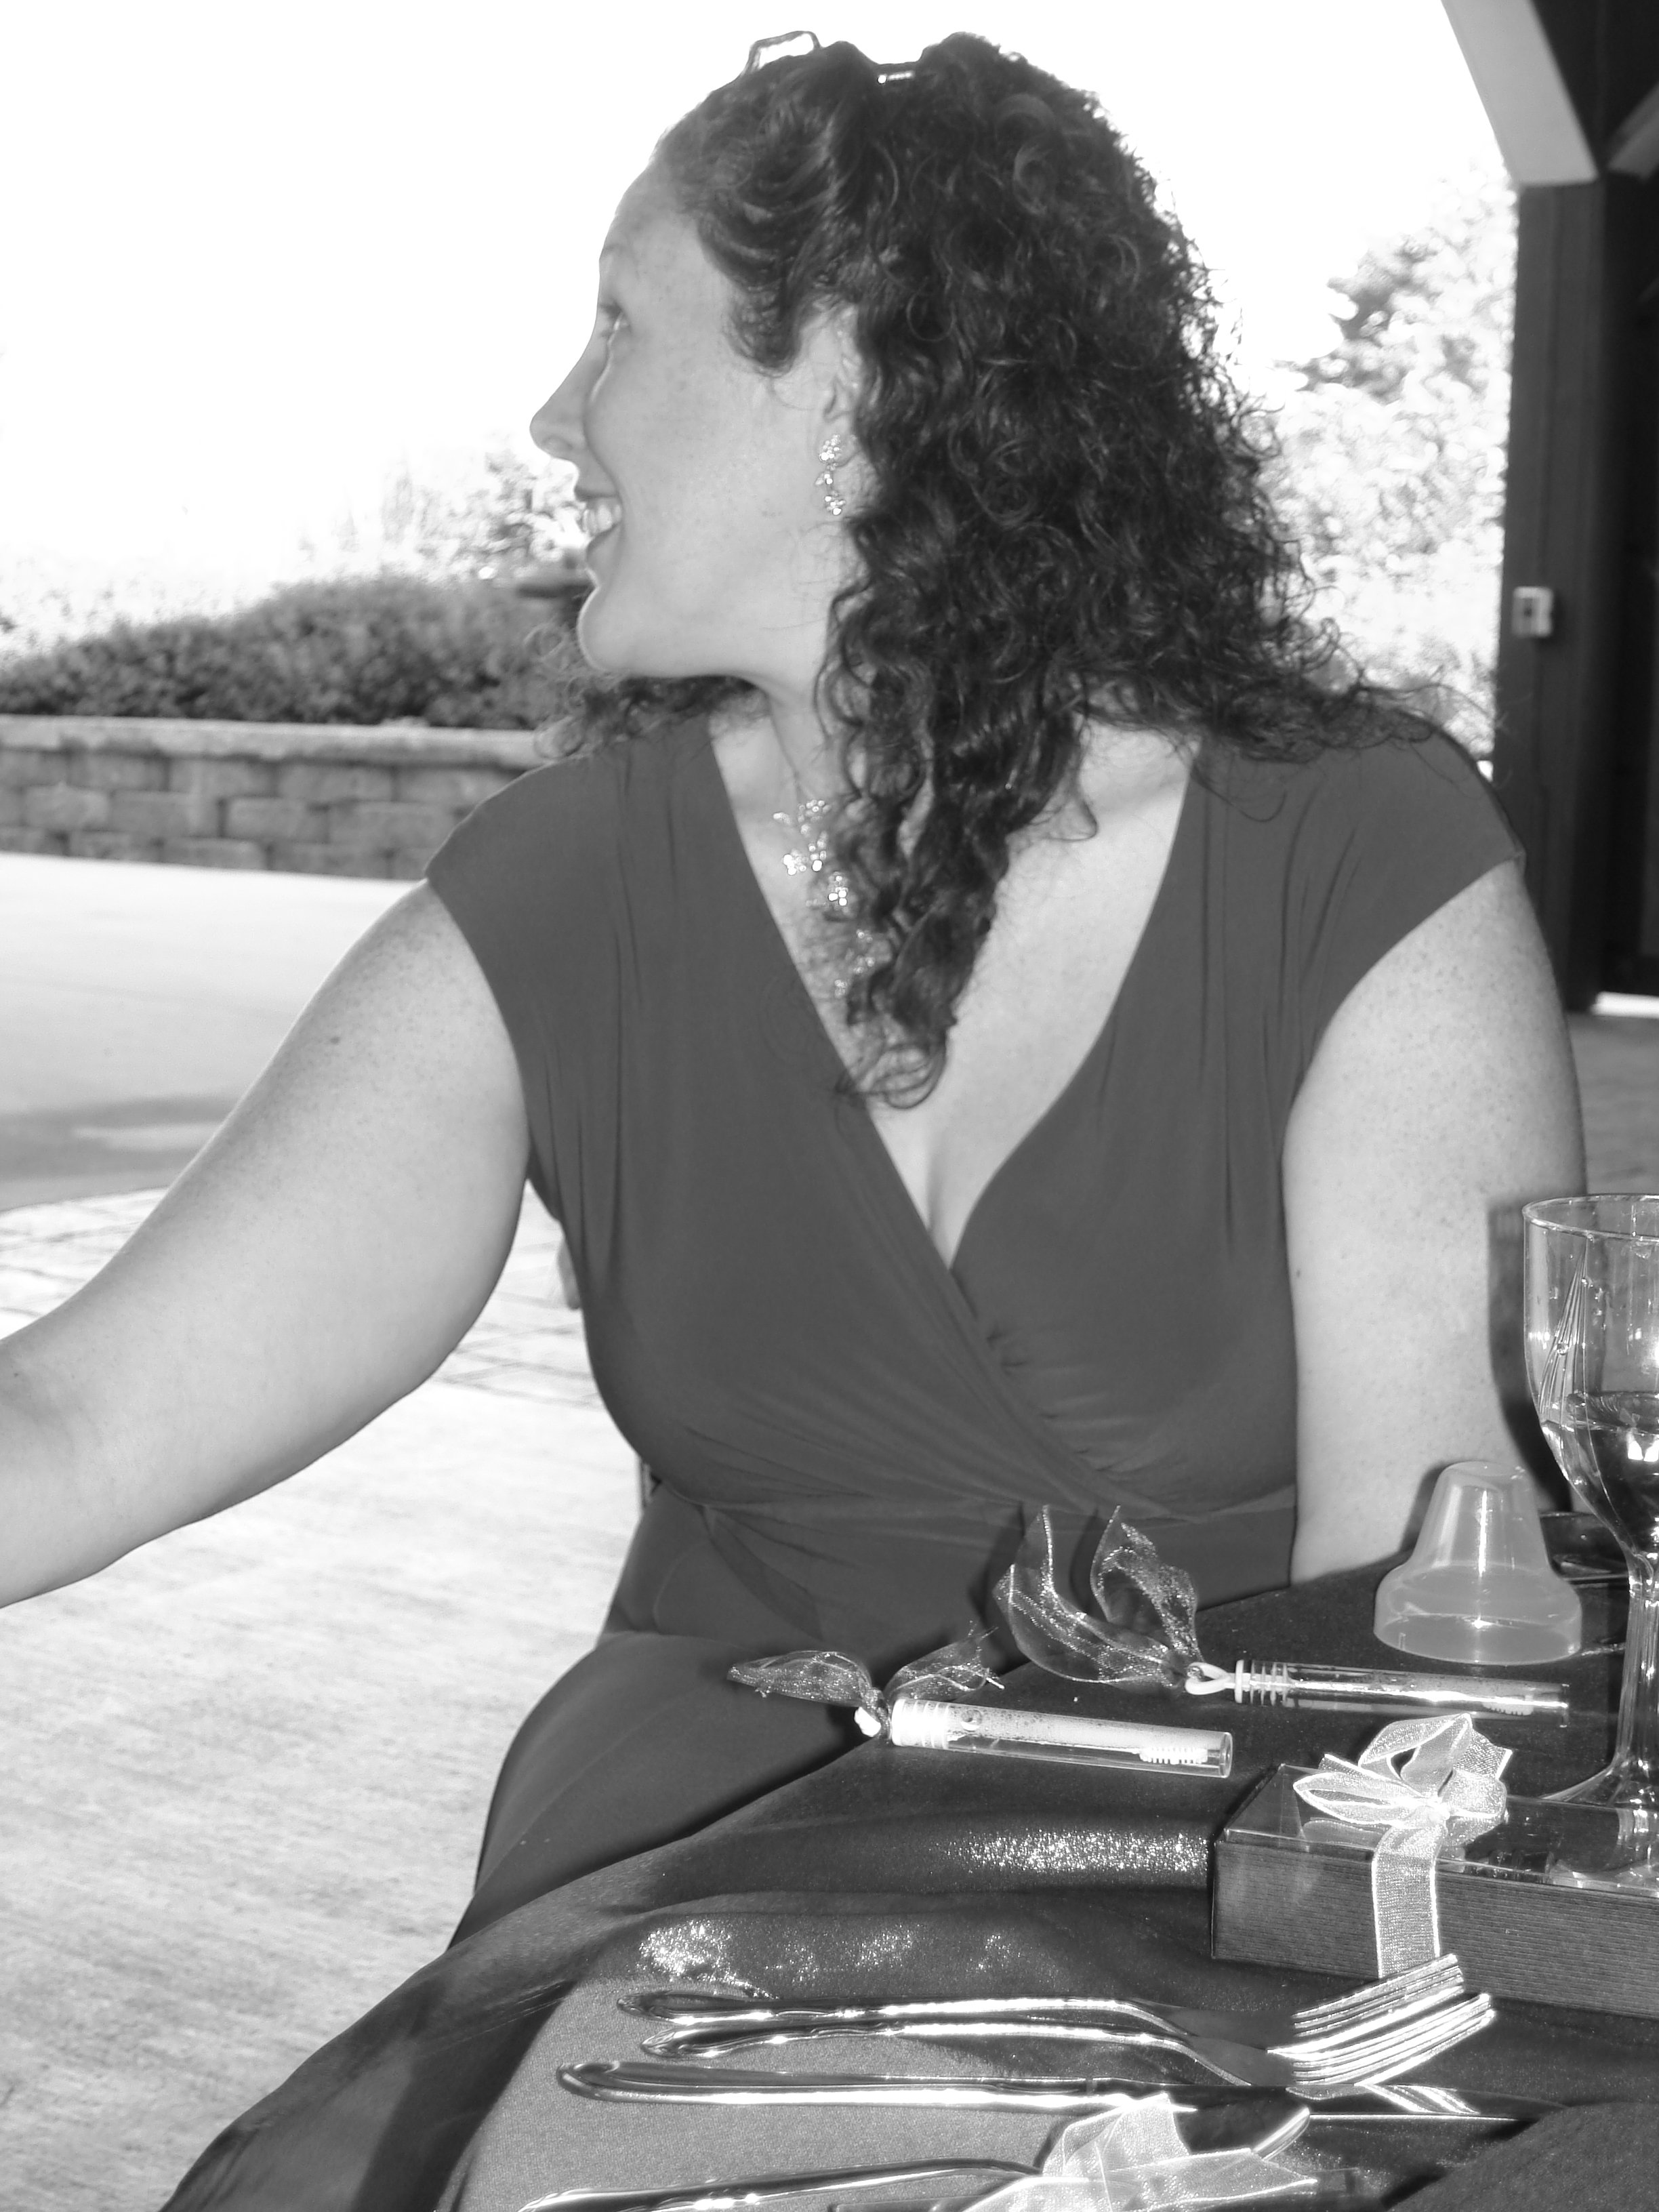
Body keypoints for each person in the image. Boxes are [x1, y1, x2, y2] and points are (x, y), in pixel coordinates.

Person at [5, 18, 1577, 2014]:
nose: (553, 416)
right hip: (682, 1881)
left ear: (843, 381)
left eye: (617, 324)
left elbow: (1415, 1631)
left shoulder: (1351, 862)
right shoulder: (566, 895)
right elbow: (81, 1424)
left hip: (1213, 1902)